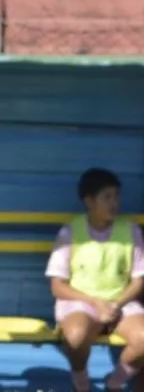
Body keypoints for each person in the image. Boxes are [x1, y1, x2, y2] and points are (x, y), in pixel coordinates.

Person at [47, 167, 144, 392]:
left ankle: (115, 383)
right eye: (107, 197)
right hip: (81, 303)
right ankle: (82, 384)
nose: (114, 203)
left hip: (121, 303)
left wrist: (116, 304)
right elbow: (57, 286)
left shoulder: (131, 231)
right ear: (89, 201)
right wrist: (96, 303)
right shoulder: (70, 232)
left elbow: (139, 280)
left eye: (116, 196)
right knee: (76, 337)